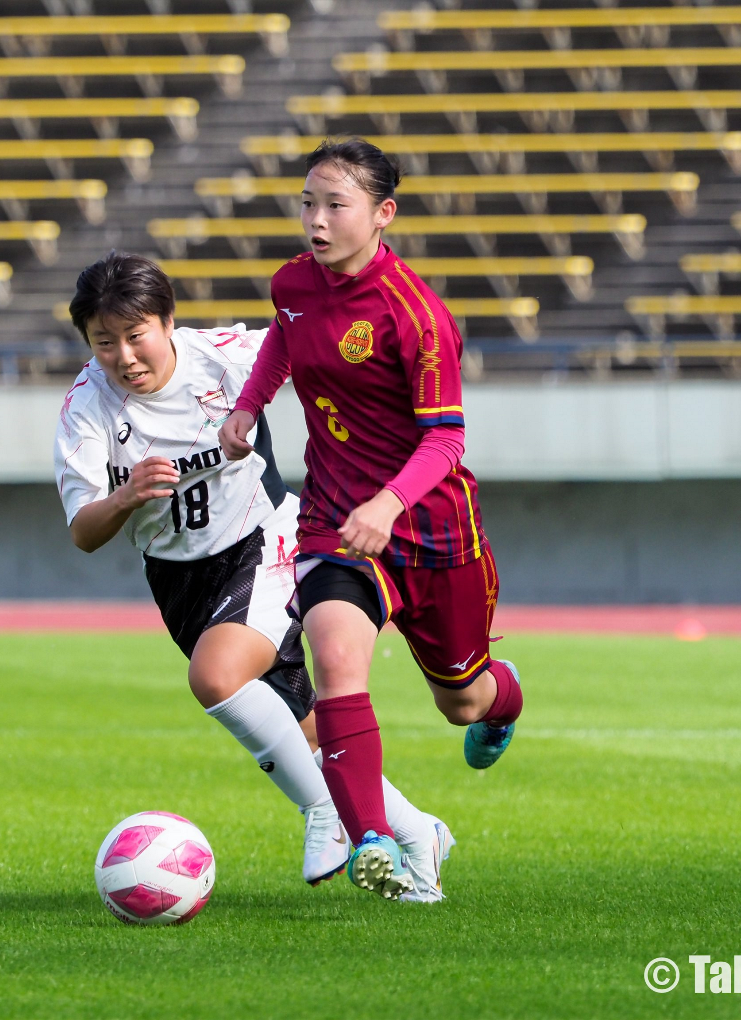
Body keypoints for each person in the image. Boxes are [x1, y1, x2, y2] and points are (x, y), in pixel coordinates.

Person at [54, 251, 452, 900]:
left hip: (266, 542)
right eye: (104, 343)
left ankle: (324, 812)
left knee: (214, 676)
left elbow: (307, 338)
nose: (124, 356)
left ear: (167, 322)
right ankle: (419, 837)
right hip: (180, 582)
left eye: (136, 336)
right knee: (307, 733)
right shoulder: (86, 408)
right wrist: (125, 498)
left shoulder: (222, 355)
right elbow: (83, 530)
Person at [218, 139, 523, 901]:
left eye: (334, 206)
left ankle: (504, 696)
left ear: (383, 215)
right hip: (332, 518)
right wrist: (251, 403)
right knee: (334, 656)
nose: (315, 222)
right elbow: (283, 343)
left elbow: (446, 437)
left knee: (463, 699)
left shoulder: (414, 314)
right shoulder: (292, 283)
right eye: (306, 203)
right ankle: (377, 842)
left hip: (432, 529)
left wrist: (388, 504)